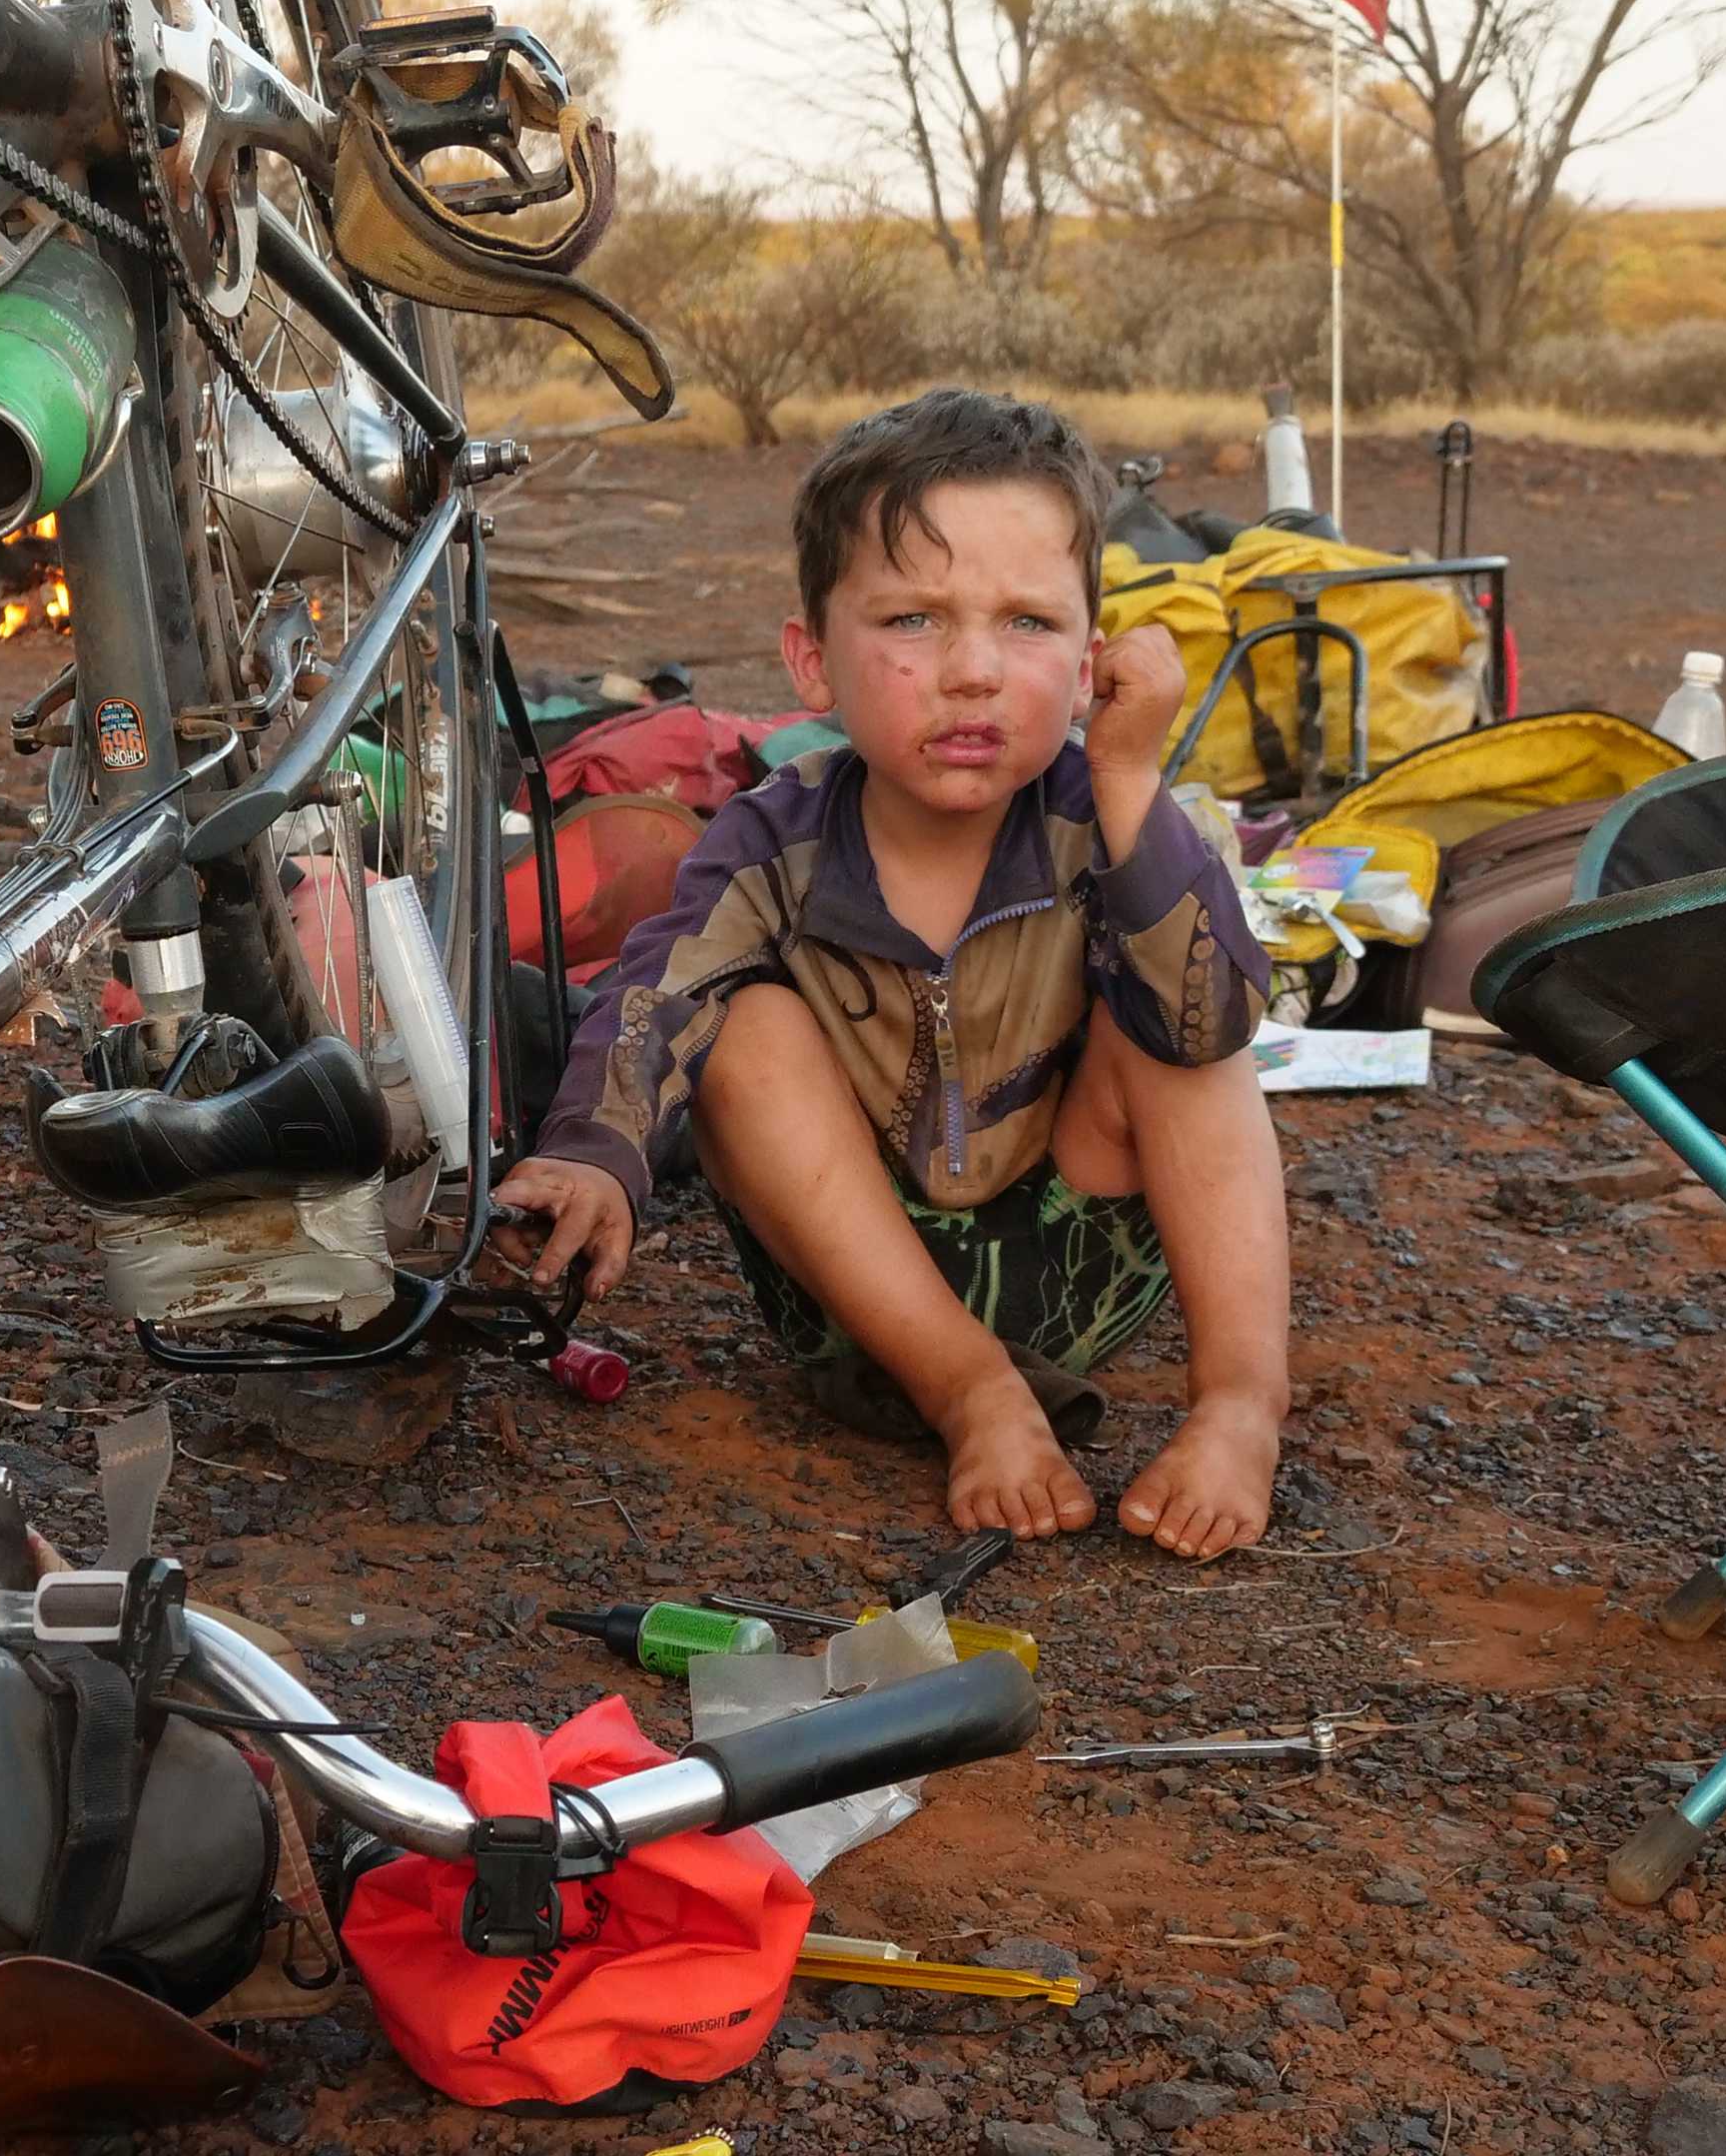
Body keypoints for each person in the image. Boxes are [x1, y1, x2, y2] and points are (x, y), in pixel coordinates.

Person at [495, 389, 1291, 1558]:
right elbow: (654, 994)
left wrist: (1128, 784)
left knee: (1176, 1032)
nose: (973, 670)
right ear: (813, 662)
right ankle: (976, 1394)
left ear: (1092, 661)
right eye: (913, 621)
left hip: (1080, 1271)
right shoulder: (772, 842)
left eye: (1026, 623)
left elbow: (1216, 1014)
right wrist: (596, 1151)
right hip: (858, 1316)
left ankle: (1240, 1408)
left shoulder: (1100, 820)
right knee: (745, 1028)